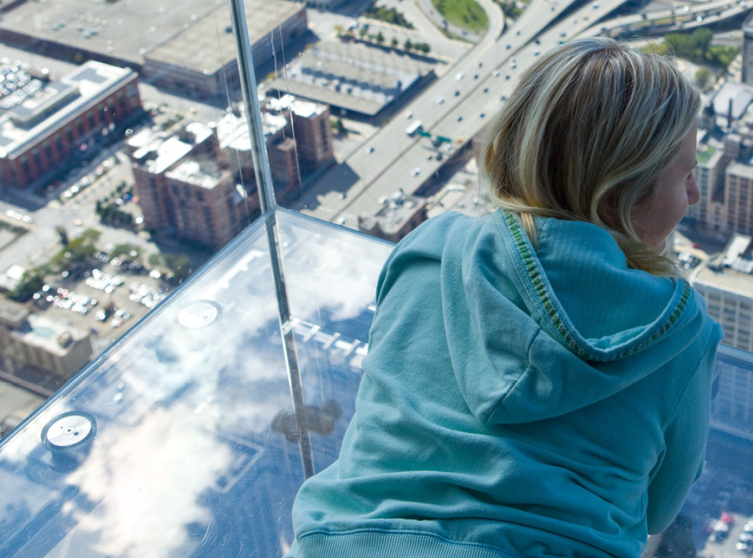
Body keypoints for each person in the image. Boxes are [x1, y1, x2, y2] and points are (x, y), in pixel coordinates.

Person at [291, 38, 723, 558]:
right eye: (687, 175)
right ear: (623, 197)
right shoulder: (678, 333)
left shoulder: (429, 252)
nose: (695, 196)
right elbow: (661, 508)